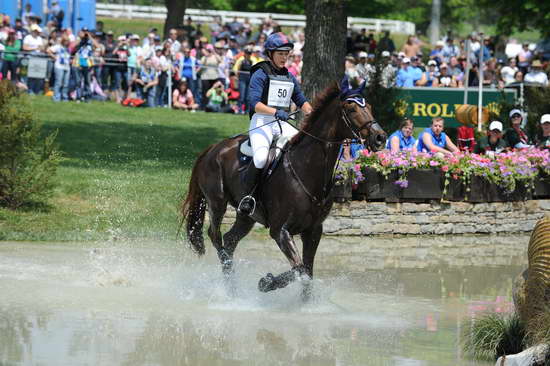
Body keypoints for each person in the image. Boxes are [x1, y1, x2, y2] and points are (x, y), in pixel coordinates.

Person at [238, 32, 313, 216]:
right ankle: (248, 197)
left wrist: (313, 114)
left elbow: (301, 99)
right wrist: (276, 112)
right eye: (280, 54)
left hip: (281, 122)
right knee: (262, 158)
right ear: (270, 54)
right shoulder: (260, 73)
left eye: (287, 54)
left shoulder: (288, 76)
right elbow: (254, 104)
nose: (284, 57)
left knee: (301, 150)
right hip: (262, 121)